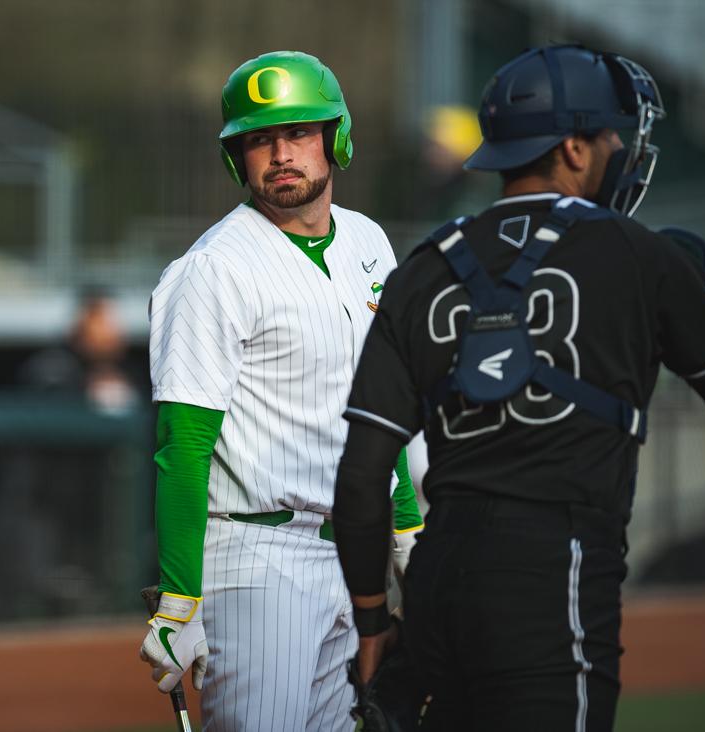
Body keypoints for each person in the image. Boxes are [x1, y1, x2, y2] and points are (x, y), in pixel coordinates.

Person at [332, 44, 705, 731]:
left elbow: (361, 477)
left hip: (436, 578)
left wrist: (372, 620)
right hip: (553, 570)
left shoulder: (422, 267)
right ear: (574, 148)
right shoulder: (642, 255)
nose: (621, 152)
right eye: (612, 139)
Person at [140, 51, 424, 730]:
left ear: (335, 138)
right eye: (260, 139)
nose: (280, 154)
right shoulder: (213, 268)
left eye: (298, 133)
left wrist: (408, 529)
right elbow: (183, 443)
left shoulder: (369, 242)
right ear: (239, 157)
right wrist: (180, 600)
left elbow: (387, 405)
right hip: (257, 556)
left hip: (353, 551)